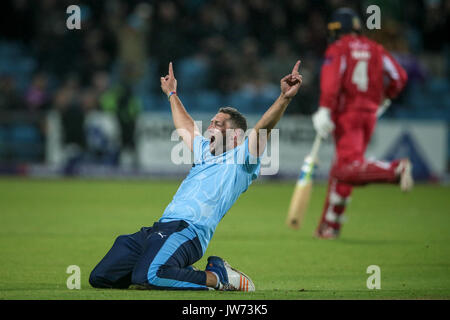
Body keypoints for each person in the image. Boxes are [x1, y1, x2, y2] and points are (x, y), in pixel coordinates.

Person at [89, 61, 303, 291]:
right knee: (101, 277)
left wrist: (284, 98)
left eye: (218, 124)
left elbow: (262, 129)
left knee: (150, 276)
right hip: (159, 228)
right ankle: (177, 271)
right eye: (211, 122)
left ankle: (218, 278)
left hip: (188, 231)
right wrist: (172, 93)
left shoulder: (243, 161)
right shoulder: (204, 151)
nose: (210, 127)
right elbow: (187, 126)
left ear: (235, 135)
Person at [312, 8, 411, 240]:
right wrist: (385, 98)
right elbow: (399, 77)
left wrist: (325, 109)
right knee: (345, 166)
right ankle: (330, 226)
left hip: (348, 113)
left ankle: (395, 169)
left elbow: (331, 81)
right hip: (369, 114)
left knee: (344, 168)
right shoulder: (376, 49)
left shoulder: (339, 48)